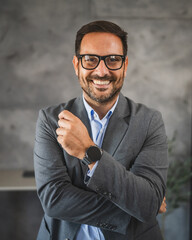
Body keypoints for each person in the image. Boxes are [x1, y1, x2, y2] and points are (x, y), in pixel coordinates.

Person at [34, 20, 168, 240]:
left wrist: (89, 151)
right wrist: (139, 207)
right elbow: (54, 200)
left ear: (125, 65)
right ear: (77, 65)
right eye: (90, 60)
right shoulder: (51, 120)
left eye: (113, 59)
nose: (102, 71)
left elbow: (148, 200)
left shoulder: (149, 121)